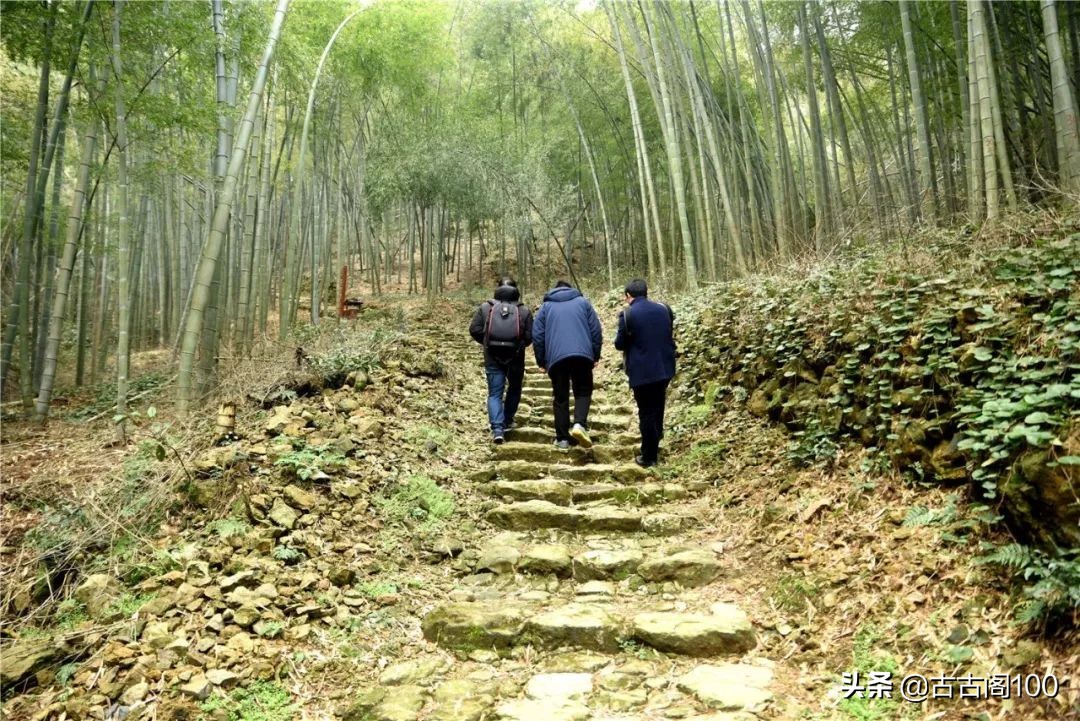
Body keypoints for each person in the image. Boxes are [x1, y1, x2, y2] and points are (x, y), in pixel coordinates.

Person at [533, 280, 603, 449]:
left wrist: (541, 361)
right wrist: (595, 354)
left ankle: (563, 438)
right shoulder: (583, 303)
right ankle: (579, 424)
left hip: (556, 359)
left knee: (561, 397)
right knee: (583, 390)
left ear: (554, 290)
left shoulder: (545, 308)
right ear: (570, 289)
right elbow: (595, 330)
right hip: (582, 355)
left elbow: (538, 336)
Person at [614, 279, 675, 468]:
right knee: (658, 406)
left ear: (628, 296)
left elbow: (619, 344)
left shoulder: (628, 314)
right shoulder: (664, 309)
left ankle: (649, 456)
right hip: (665, 367)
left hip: (642, 371)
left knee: (646, 412)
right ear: (646, 292)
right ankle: (656, 438)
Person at [469, 277, 533, 444]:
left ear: (497, 290)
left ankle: (497, 429)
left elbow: (474, 329)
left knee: (495, 393)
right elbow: (529, 337)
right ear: (516, 291)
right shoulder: (523, 310)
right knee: (514, 388)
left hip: (492, 357)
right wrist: (518, 346)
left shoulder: (486, 307)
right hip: (516, 358)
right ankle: (508, 420)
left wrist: (487, 343)